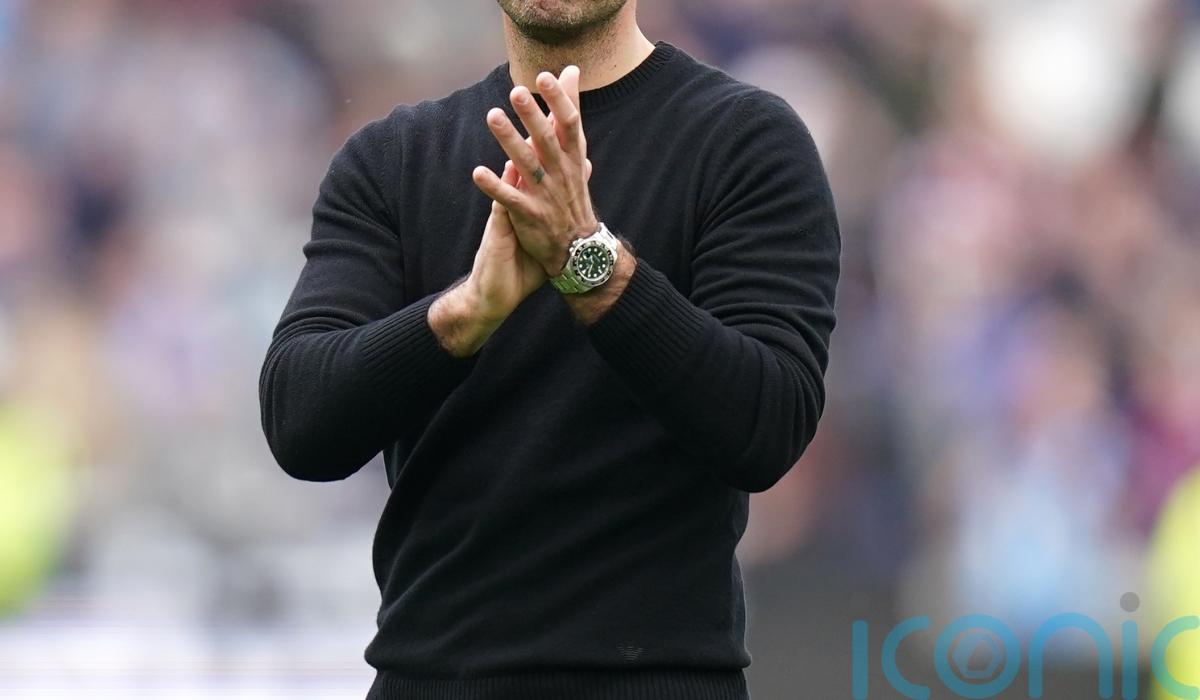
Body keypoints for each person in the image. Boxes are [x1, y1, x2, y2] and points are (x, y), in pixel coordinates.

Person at [258, 0, 840, 697]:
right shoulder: (394, 158)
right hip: (430, 678)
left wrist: (587, 262)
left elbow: (765, 426)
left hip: (656, 681)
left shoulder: (744, 140)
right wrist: (464, 315)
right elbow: (300, 422)